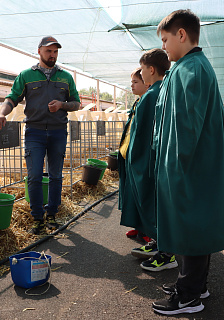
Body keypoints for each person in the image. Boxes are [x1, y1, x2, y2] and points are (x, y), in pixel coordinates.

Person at [151, 9, 224, 315]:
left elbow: (187, 128)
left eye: (166, 40)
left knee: (189, 227)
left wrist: (175, 167)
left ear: (181, 35)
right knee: (193, 226)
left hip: (188, 168)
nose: (164, 47)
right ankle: (195, 285)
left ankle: (188, 297)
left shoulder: (190, 70)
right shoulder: (189, 67)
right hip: (192, 166)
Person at [0, 36, 80, 235]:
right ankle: (38, 218)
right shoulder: (26, 76)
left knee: (56, 175)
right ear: (39, 51)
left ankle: (52, 215)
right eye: (49, 51)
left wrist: (61, 105)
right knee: (34, 175)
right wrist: (0, 113)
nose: (53, 55)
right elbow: (12, 98)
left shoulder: (65, 77)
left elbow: (76, 103)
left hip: (58, 131)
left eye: (55, 51)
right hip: (35, 131)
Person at [119, 49, 177, 271]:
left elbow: (143, 136)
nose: (141, 75)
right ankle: (160, 244)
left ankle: (166, 252)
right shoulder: (160, 91)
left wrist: (137, 164)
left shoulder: (152, 95)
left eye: (142, 71)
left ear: (151, 70)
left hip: (147, 163)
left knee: (154, 205)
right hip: (153, 162)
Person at [119, 67, 150, 243]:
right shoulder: (138, 102)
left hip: (138, 157)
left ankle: (146, 230)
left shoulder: (147, 100)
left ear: (146, 82)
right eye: (131, 82)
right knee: (131, 194)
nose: (132, 85)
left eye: (135, 82)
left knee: (141, 194)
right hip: (128, 155)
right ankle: (138, 227)